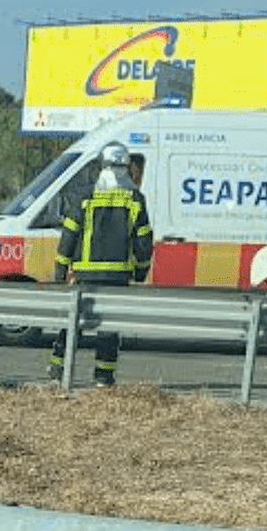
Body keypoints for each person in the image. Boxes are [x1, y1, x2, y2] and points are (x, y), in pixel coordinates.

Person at [50, 142, 153, 387]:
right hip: (117, 278)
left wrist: (60, 270)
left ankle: (58, 370)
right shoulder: (135, 199)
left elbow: (69, 235)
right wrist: (141, 271)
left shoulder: (85, 197)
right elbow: (144, 240)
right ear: (127, 168)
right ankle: (103, 377)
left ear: (100, 166)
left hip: (86, 275)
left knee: (73, 324)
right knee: (108, 329)